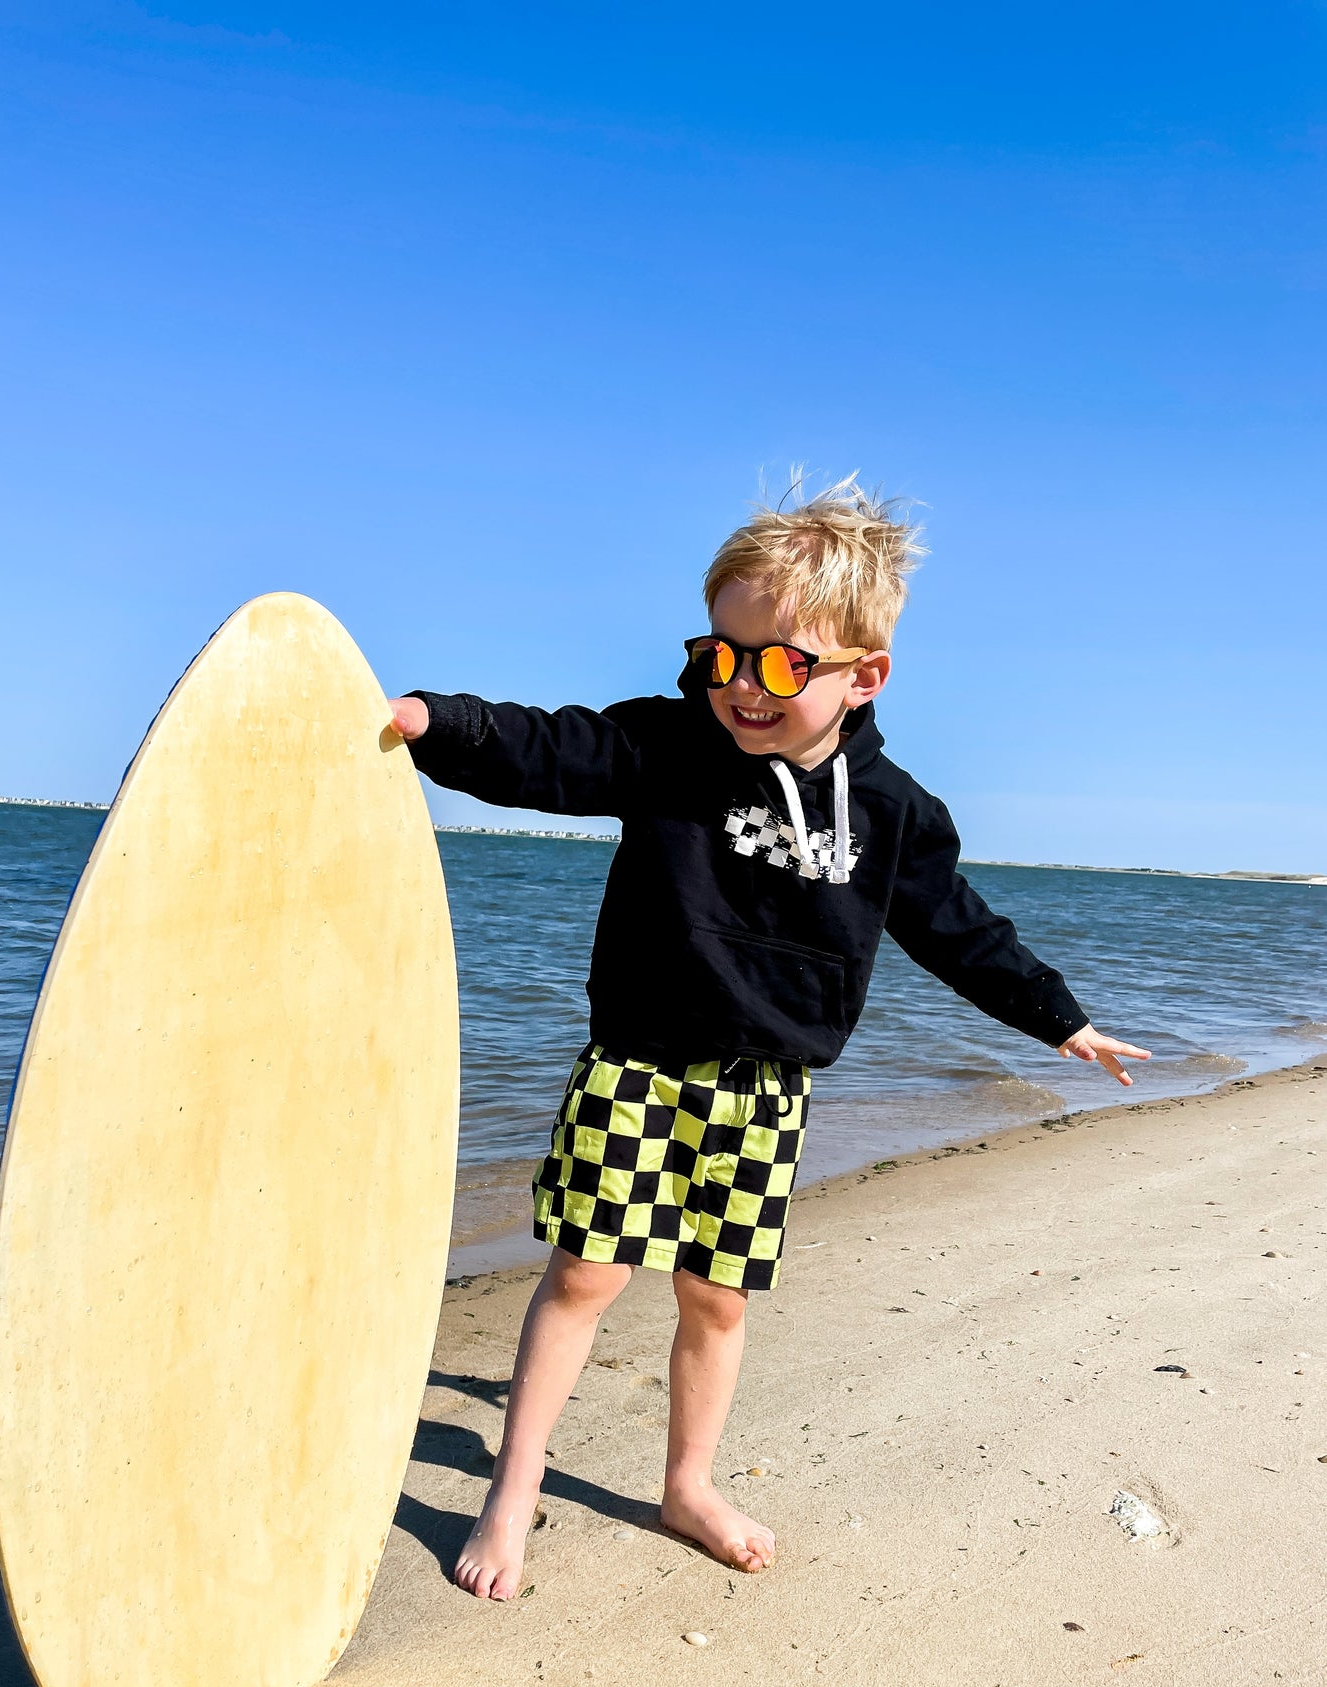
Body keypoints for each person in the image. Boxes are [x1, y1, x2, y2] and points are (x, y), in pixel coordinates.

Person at [388, 477, 1148, 1601]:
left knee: (715, 1296)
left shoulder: (891, 812)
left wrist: (1059, 1017)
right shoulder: (666, 748)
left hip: (766, 1090)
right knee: (586, 1273)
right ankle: (512, 1485)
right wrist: (429, 723)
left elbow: (957, 928)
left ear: (863, 675)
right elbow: (547, 750)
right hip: (636, 1064)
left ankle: (686, 1482)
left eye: (780, 664)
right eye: (719, 656)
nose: (740, 686)